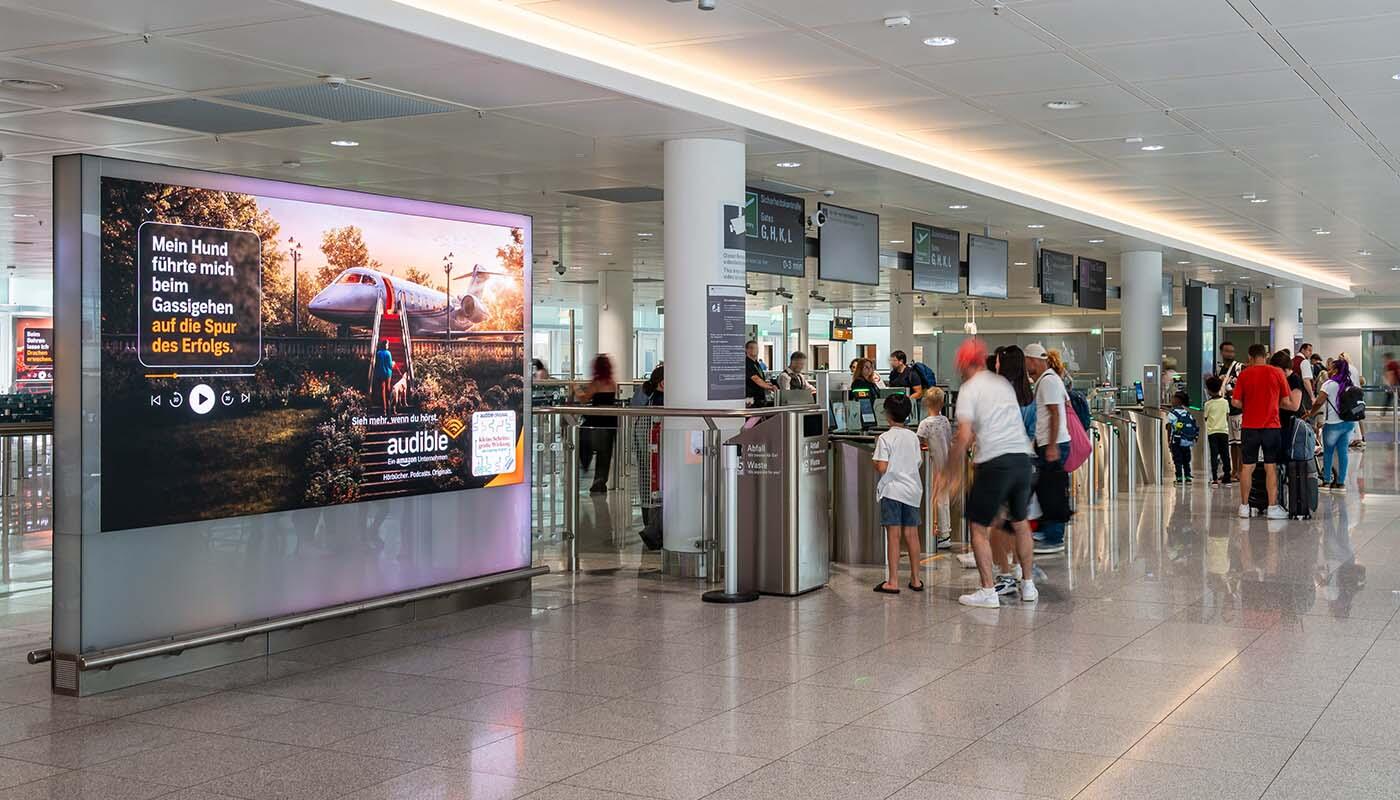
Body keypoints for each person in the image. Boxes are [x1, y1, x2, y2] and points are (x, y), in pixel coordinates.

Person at [940, 338, 1038, 608]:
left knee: (978, 526)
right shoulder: (1002, 383)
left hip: (995, 462)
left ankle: (987, 590)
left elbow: (964, 435)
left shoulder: (969, 389)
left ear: (963, 364)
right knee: (1020, 522)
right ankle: (1028, 585)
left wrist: (948, 472)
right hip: (1022, 459)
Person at [1231, 343, 1296, 519]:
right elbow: (1287, 401)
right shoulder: (1277, 373)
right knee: (1270, 466)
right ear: (1266, 356)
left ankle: (1244, 507)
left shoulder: (1244, 374)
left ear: (1250, 357)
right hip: (1271, 426)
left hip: (1249, 427)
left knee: (1247, 466)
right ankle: (1272, 507)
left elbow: (1235, 402)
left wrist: (1249, 405)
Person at [873, 394, 924, 594]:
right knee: (912, 535)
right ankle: (916, 579)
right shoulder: (913, 437)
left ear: (887, 414)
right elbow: (917, 462)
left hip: (892, 491)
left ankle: (893, 581)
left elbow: (882, 467)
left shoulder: (885, 438)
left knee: (893, 536)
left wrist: (875, 462)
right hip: (912, 491)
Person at [1024, 343, 1070, 554]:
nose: (1026, 367)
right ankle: (1046, 530)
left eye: (1027, 361)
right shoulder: (1049, 379)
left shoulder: (1048, 381)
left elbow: (1055, 413)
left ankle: (1054, 537)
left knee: (1052, 490)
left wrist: (1051, 445)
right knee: (1046, 488)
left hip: (1053, 443)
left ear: (1033, 360)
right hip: (1049, 442)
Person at [1309, 357, 1356, 493]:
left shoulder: (1329, 384)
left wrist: (1311, 414)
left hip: (1333, 425)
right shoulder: (1349, 384)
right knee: (1343, 452)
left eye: (1330, 368)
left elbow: (1319, 402)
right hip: (1348, 423)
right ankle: (1341, 484)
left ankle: (1326, 482)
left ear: (1335, 370)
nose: (1328, 371)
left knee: (1328, 453)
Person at [917, 387, 953, 550]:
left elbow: (918, 442)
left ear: (926, 403)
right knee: (943, 499)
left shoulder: (925, 424)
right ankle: (945, 532)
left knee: (936, 500)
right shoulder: (945, 421)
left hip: (933, 466)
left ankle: (941, 533)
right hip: (946, 463)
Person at [576, 354, 618, 494]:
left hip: (596, 422)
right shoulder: (612, 383)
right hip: (610, 422)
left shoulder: (596, 383)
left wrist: (576, 389)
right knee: (605, 453)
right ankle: (600, 482)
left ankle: (585, 465)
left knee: (584, 443)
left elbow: (584, 399)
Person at [1218, 341, 1245, 480]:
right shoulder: (1221, 370)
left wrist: (1234, 392)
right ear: (1221, 352)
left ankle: (1241, 471)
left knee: (1240, 442)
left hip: (1238, 410)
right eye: (1227, 351)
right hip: (1227, 410)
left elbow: (1245, 385)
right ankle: (1234, 470)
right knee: (1232, 443)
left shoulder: (1239, 367)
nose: (1230, 354)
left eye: (1232, 351)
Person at [1204, 374, 1232, 487]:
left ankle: (1214, 478)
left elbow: (1206, 418)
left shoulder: (1207, 404)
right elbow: (1227, 415)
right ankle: (1227, 477)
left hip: (1212, 432)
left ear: (1209, 391)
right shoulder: (1225, 402)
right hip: (1224, 431)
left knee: (1214, 455)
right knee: (1225, 454)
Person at [1271, 349, 1306, 440]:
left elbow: (1294, 406)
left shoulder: (1294, 380)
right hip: (1279, 423)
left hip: (1290, 425)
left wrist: (1273, 403)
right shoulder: (1281, 379)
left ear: (1285, 369)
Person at [1166, 390, 1197, 484]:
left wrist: (1168, 440)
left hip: (1176, 441)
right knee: (1186, 460)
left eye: (1173, 399)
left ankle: (1179, 477)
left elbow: (1169, 427)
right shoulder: (1187, 413)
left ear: (1178, 400)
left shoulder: (1172, 413)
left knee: (1177, 460)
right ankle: (1188, 476)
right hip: (1187, 441)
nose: (1172, 400)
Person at [745, 340, 776, 408]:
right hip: (751, 399)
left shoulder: (756, 363)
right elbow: (756, 379)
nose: (754, 350)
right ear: (746, 350)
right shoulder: (747, 363)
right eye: (751, 348)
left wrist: (768, 384)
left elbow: (760, 378)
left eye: (756, 348)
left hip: (759, 398)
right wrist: (770, 387)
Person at [372, 339, 394, 413]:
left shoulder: (378, 353)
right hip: (387, 373)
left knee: (382, 390)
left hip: (380, 373)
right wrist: (393, 364)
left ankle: (384, 408)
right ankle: (389, 405)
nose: (388, 346)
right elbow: (390, 365)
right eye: (387, 344)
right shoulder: (388, 353)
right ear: (385, 345)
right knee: (388, 389)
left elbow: (376, 364)